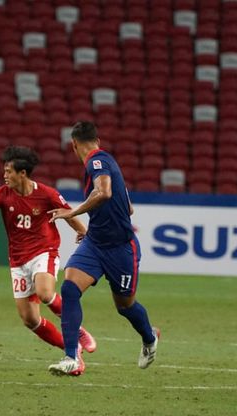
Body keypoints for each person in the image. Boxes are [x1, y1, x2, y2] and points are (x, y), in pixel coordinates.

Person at [0, 146, 97, 360]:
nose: (5, 176)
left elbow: (68, 213)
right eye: (4, 171)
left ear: (22, 173)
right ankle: (72, 349)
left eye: (8, 171)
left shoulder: (47, 193)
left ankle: (77, 331)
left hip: (44, 251)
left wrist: (81, 231)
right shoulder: (1, 194)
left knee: (45, 292)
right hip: (17, 260)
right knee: (29, 319)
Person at [47, 121, 159, 376]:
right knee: (69, 288)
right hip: (95, 243)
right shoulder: (109, 162)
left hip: (121, 248)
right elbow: (128, 207)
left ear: (74, 144)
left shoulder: (96, 161)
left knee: (125, 306)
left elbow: (104, 192)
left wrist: (71, 212)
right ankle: (70, 357)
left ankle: (149, 337)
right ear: (97, 139)